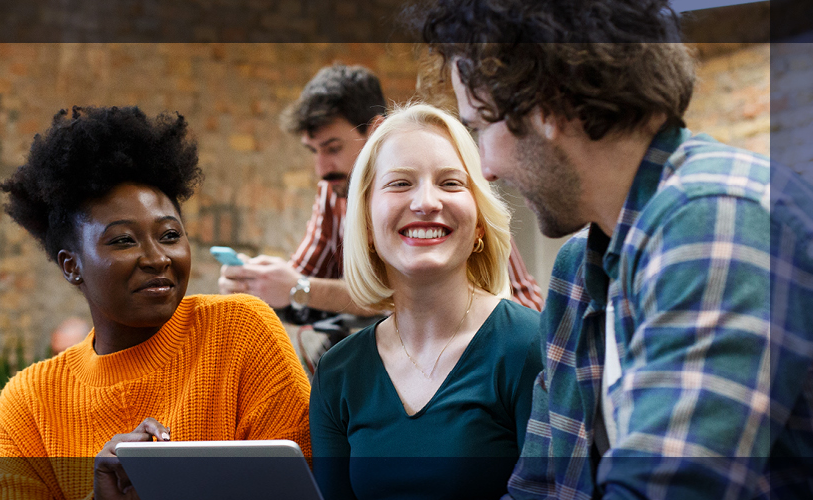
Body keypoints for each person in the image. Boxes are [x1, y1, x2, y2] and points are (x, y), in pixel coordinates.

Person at [414, 0, 813, 498]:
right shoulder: (578, 272)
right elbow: (537, 488)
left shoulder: (718, 215)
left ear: (546, 103)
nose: (486, 167)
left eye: (480, 128)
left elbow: (667, 489)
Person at [0, 106, 312, 500]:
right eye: (123, 240)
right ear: (72, 266)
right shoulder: (29, 402)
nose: (157, 258)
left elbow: (299, 483)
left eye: (170, 235)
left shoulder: (240, 330)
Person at [220, 65, 544, 378]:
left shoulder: (520, 339)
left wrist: (299, 289)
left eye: (333, 148)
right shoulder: (334, 192)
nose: (321, 168)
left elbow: (315, 287)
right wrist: (258, 283)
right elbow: (307, 278)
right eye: (313, 151)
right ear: (368, 229)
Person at [309, 104, 543, 500]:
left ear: (480, 223)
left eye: (451, 183)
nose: (426, 202)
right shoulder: (338, 373)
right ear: (366, 223)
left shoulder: (531, 347)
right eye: (400, 183)